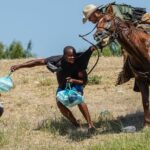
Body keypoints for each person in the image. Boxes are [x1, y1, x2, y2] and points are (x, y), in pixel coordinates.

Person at [10, 46, 96, 131]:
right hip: (63, 86)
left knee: (78, 99)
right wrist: (19, 66)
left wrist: (73, 80)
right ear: (64, 56)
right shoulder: (57, 60)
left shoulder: (79, 61)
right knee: (60, 104)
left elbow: (84, 82)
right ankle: (76, 125)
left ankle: (90, 125)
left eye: (74, 55)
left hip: (76, 84)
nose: (73, 58)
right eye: (70, 56)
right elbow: (37, 62)